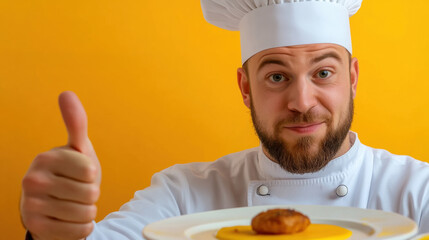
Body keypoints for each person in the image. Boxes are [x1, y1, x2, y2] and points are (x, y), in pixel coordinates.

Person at [20, 0, 429, 239]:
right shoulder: (183, 196)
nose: (302, 102)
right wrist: (54, 230)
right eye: (276, 76)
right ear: (245, 88)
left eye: (323, 73)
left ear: (352, 78)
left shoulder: (418, 192)